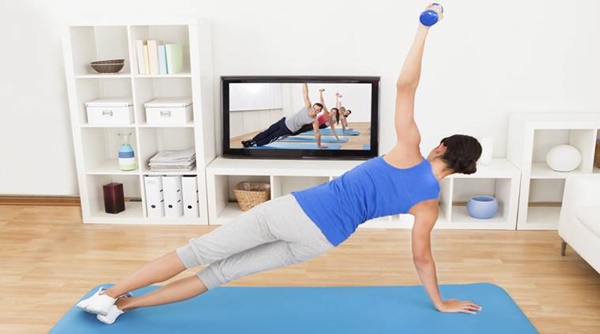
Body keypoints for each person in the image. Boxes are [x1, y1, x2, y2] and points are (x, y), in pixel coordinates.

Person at [77, 5, 482, 325]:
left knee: (194, 252)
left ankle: (109, 295)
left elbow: (405, 85)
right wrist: (440, 302)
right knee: (216, 275)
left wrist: (424, 27)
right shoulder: (428, 204)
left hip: (296, 213)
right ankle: (124, 308)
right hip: (322, 240)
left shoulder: (410, 148)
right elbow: (422, 258)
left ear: (440, 147)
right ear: (462, 170)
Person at [241, 83, 322, 147]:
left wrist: (319, 145)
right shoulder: (307, 107)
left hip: (288, 129)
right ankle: (252, 141)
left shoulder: (314, 121)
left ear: (319, 112)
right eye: (314, 108)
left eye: (317, 110)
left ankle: (255, 144)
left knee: (272, 136)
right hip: (283, 121)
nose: (314, 110)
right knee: (268, 131)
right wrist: (305, 81)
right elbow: (305, 94)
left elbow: (317, 133)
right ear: (312, 107)